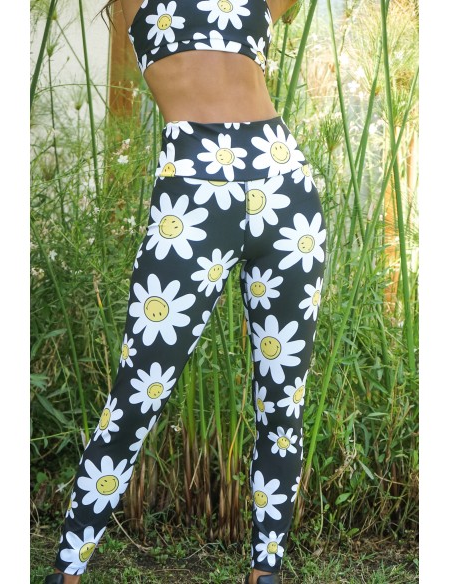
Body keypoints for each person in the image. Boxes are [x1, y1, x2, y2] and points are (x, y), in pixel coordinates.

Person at [44, 0, 327, 582]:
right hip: (194, 191)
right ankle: (67, 569)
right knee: (138, 392)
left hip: (285, 185)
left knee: (283, 401)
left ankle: (267, 570)